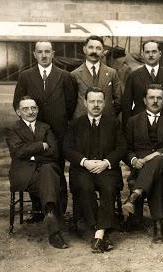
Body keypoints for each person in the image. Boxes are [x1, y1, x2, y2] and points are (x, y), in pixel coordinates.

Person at [13, 41, 78, 219]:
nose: (44, 55)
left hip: (58, 133)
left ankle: (59, 211)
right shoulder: (26, 76)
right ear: (34, 54)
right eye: (40, 52)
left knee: (56, 168)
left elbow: (71, 104)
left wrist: (60, 121)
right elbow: (17, 103)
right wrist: (30, 125)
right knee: (36, 167)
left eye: (47, 52)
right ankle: (39, 211)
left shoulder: (65, 76)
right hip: (34, 133)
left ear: (53, 54)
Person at [63, 87, 127, 253]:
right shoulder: (76, 124)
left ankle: (98, 233)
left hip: (106, 169)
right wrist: (85, 162)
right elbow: (67, 149)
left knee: (108, 187)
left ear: (104, 103)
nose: (96, 105)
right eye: (92, 101)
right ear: (85, 103)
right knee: (85, 187)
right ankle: (101, 230)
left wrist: (106, 162)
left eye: (99, 101)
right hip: (83, 169)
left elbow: (121, 147)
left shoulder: (113, 123)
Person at [123, 84, 163, 243]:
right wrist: (133, 160)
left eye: (159, 98)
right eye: (151, 97)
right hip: (142, 167)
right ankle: (158, 226)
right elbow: (127, 149)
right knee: (156, 178)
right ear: (144, 100)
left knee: (157, 160)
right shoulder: (133, 121)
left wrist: (155, 155)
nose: (155, 101)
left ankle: (135, 195)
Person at [6, 96, 68, 249]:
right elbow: (18, 152)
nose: (30, 112)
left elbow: (54, 152)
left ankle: (51, 219)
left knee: (48, 171)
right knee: (50, 177)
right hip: (24, 174)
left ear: (38, 110)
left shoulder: (45, 127)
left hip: (44, 171)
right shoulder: (13, 129)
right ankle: (51, 214)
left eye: (33, 108)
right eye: (25, 109)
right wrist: (41, 145)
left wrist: (31, 153)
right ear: (18, 112)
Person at [122, 40, 163, 128]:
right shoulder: (133, 76)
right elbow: (127, 105)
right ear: (143, 54)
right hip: (140, 126)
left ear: (160, 53)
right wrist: (127, 128)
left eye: (154, 52)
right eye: (147, 52)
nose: (151, 55)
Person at [72, 35, 122, 119]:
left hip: (106, 122)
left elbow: (119, 100)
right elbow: (71, 102)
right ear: (84, 49)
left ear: (103, 51)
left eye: (98, 48)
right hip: (82, 122)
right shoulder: (74, 74)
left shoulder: (112, 73)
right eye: (91, 47)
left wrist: (109, 115)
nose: (94, 51)